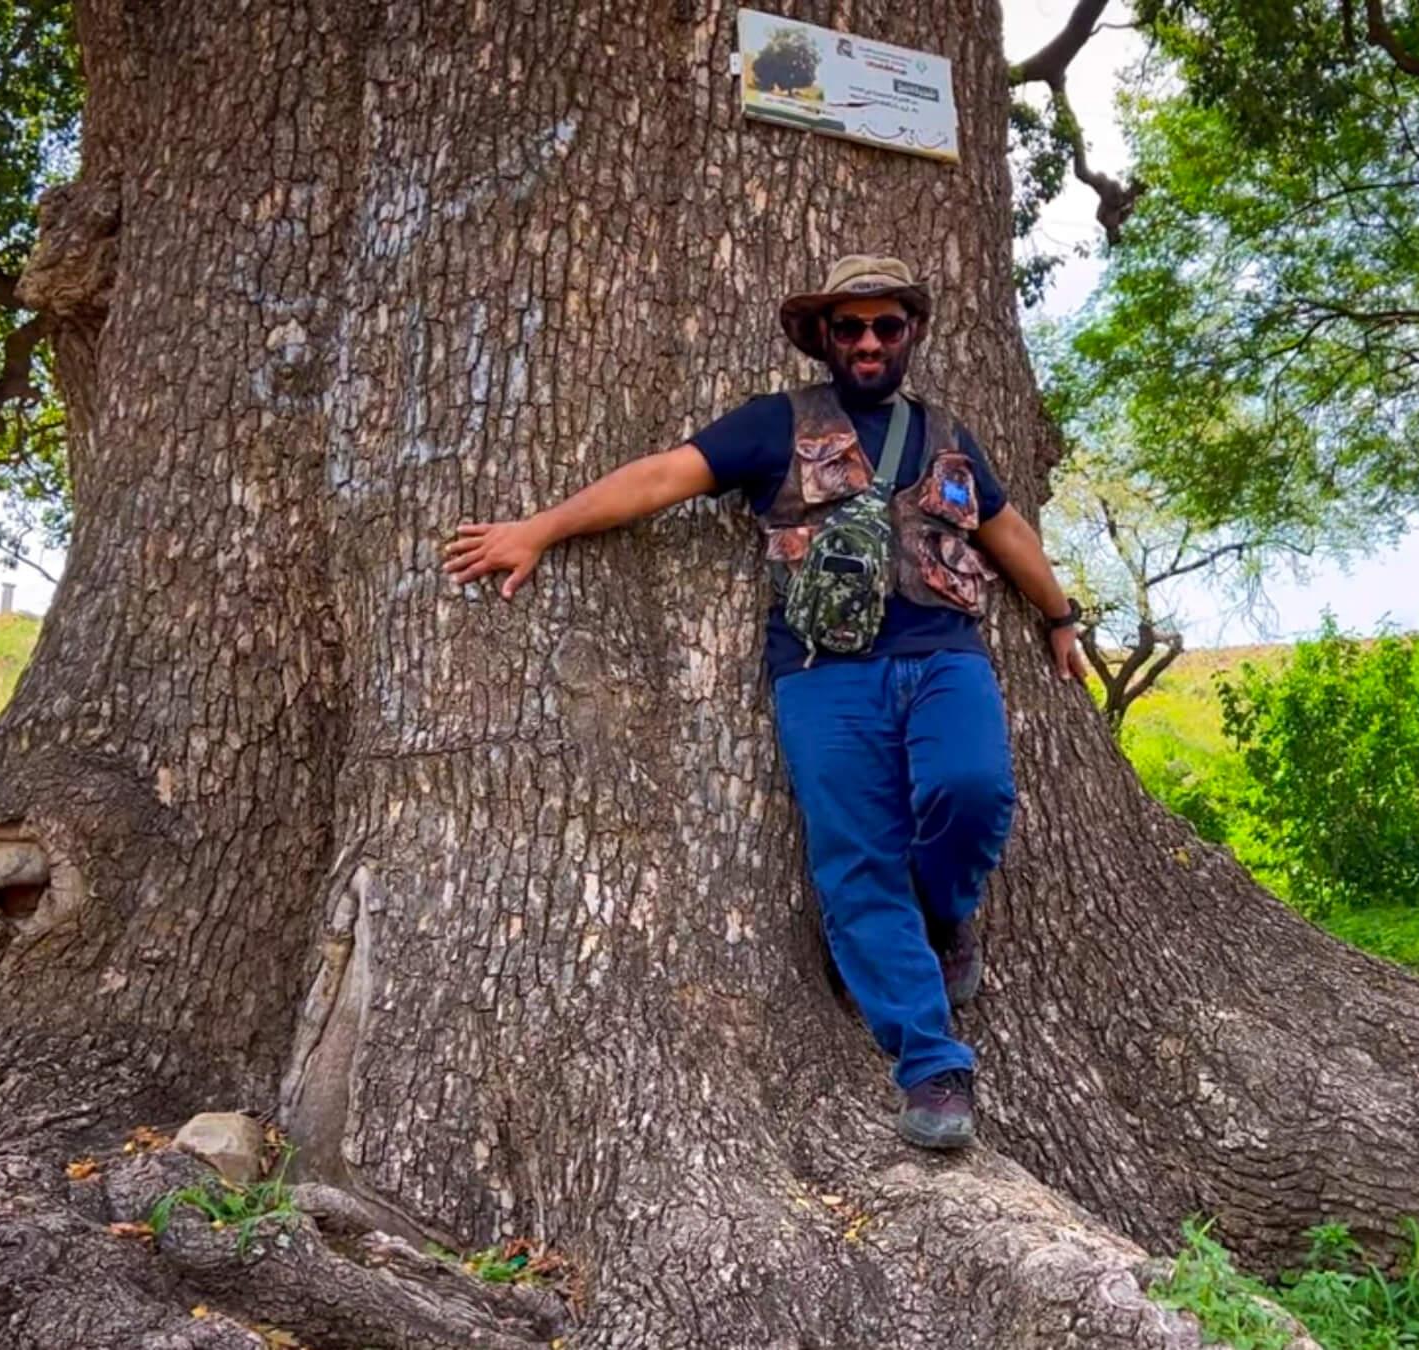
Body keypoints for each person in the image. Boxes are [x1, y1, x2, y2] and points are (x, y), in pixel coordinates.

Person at [444, 255, 1087, 1149]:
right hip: (826, 673)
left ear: (910, 335)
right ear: (824, 337)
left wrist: (1060, 615)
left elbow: (1005, 527)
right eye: (850, 328)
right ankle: (931, 1065)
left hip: (945, 656)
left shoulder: (948, 433)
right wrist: (537, 531)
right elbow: (660, 479)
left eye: (886, 327)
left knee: (971, 793)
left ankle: (945, 910)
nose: (868, 342)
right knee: (857, 859)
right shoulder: (774, 425)